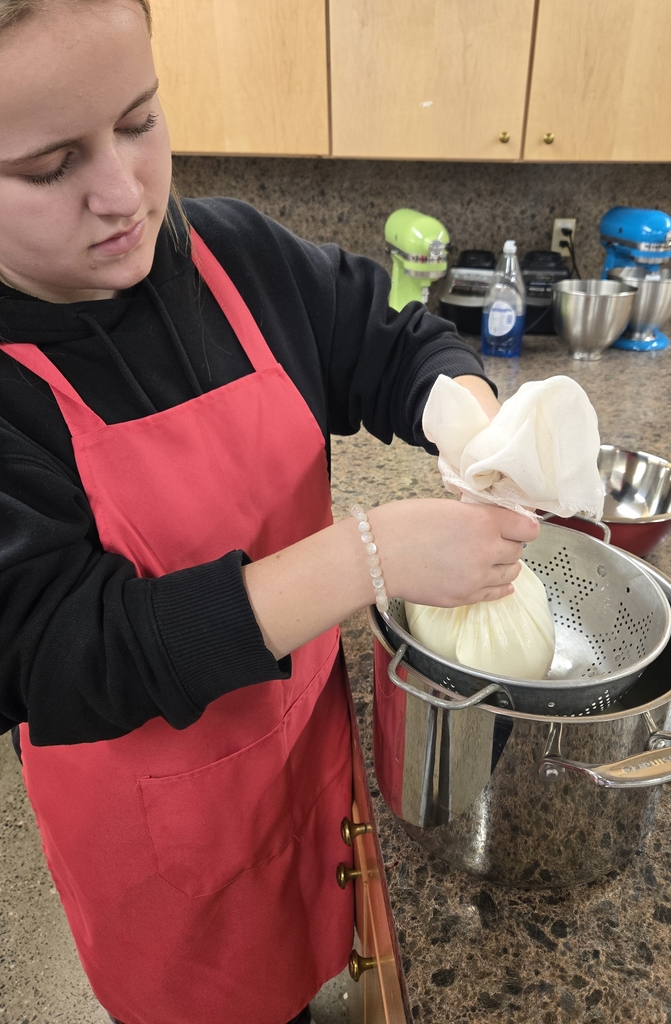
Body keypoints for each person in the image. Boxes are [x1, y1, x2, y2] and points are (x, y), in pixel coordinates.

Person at [0, 2, 539, 1022]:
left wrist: (469, 422)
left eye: (140, 120)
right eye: (47, 167)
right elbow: (63, 650)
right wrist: (363, 559)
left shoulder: (236, 257)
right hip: (158, 848)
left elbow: (384, 337)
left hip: (298, 767)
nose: (121, 193)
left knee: (307, 963)